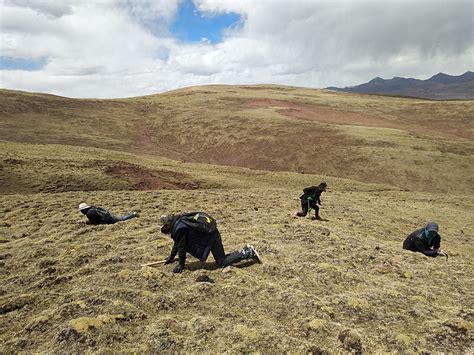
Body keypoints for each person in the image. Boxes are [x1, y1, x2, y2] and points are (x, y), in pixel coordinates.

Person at [159, 211, 261, 273]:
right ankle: (246, 251)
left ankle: (248, 252)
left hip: (211, 238)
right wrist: (171, 257)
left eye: (164, 225)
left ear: (168, 224)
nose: (163, 228)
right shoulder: (179, 221)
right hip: (211, 234)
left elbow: (182, 247)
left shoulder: (179, 228)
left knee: (221, 262)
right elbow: (177, 243)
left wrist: (181, 265)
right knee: (222, 259)